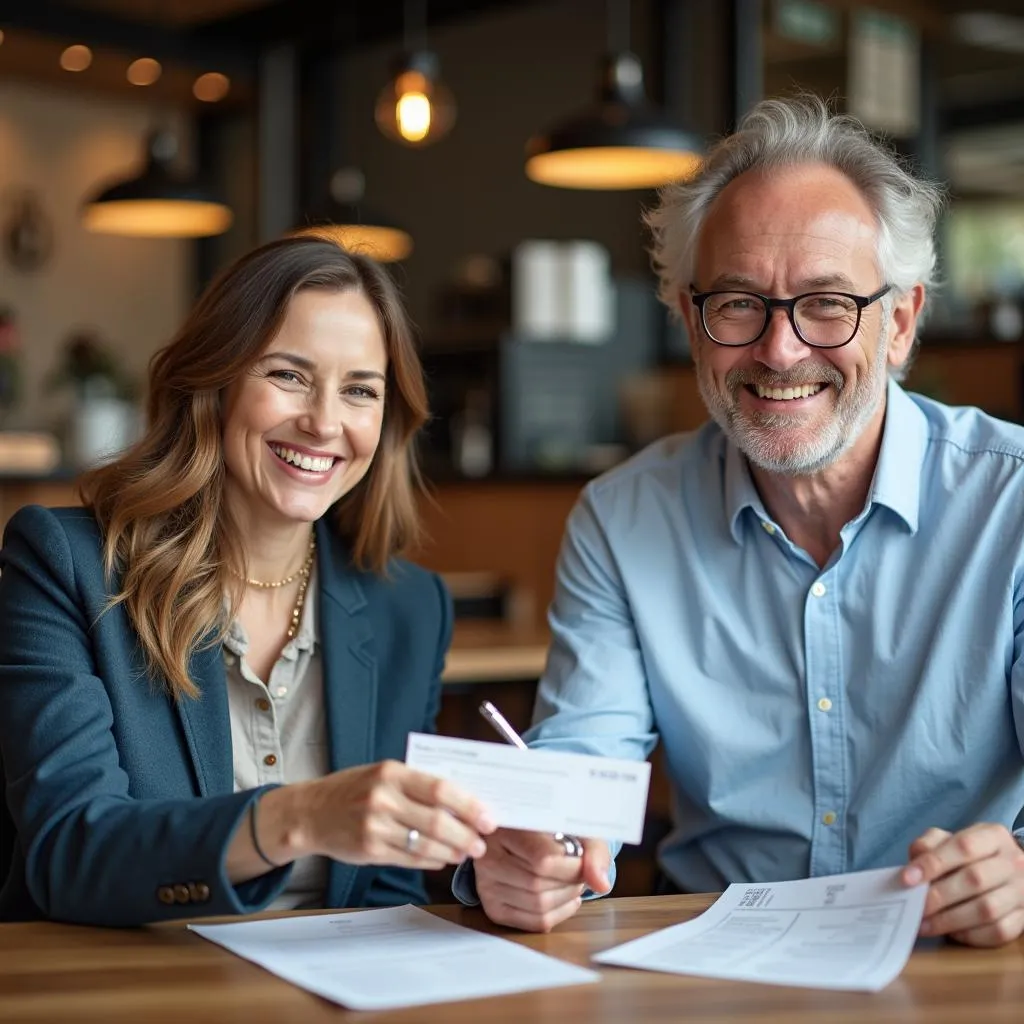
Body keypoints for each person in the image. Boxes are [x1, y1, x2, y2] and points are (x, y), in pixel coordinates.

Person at [469, 96, 1024, 946]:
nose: (779, 350)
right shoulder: (623, 519)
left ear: (902, 321)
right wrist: (539, 854)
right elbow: (581, 777)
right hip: (710, 967)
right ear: (691, 322)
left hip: (956, 963)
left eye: (828, 303)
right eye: (737, 303)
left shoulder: (1012, 502)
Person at [0, 237, 495, 925]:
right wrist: (294, 817)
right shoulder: (67, 564)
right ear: (214, 383)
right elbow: (69, 853)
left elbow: (384, 889)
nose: (325, 422)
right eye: (288, 375)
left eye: (359, 390)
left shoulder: (407, 608)